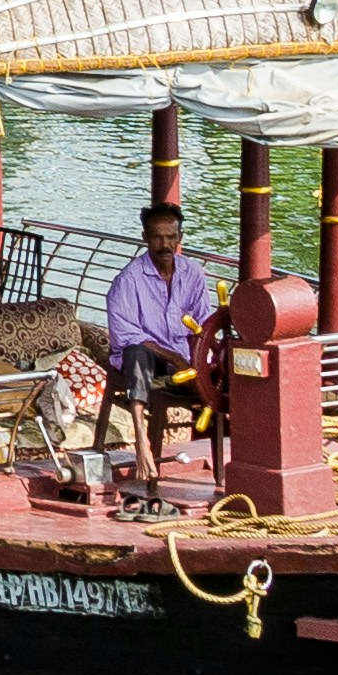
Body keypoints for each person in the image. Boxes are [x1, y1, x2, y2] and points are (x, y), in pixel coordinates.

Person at [99, 201, 218, 484]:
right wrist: (175, 360)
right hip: (142, 361)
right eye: (157, 237)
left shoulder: (193, 273)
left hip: (181, 359)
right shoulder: (129, 279)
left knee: (232, 374)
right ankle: (141, 439)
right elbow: (126, 335)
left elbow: (203, 324)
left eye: (171, 237)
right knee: (137, 352)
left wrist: (198, 363)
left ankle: (233, 461)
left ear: (179, 238)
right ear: (145, 237)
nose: (165, 244)